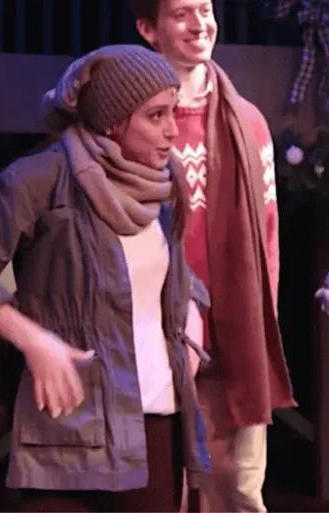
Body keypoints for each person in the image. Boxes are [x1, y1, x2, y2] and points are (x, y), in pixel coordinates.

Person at [0, 44, 211, 513]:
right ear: (113, 121)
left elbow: (176, 275)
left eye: (173, 111)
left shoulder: (165, 183)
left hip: (155, 418)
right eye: (155, 116)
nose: (172, 129)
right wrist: (34, 340)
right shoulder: (42, 179)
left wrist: (191, 324)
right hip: (70, 424)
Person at [128, 1, 296, 511]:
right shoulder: (131, 123)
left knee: (237, 488)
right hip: (153, 339)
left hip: (232, 341)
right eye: (181, 14)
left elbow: (267, 240)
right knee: (164, 495)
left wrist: (254, 324)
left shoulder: (249, 122)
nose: (199, 24)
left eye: (205, 8)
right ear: (148, 29)